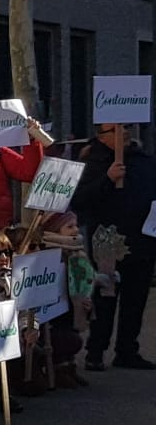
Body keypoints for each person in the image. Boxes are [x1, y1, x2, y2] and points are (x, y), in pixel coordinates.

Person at [72, 120, 156, 370]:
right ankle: (95, 351)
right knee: (105, 297)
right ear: (101, 136)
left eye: (127, 127)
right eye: (116, 129)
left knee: (135, 298)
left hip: (142, 240)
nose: (125, 132)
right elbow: (79, 200)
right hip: (107, 242)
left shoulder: (143, 160)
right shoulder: (93, 163)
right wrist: (108, 179)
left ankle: (127, 350)